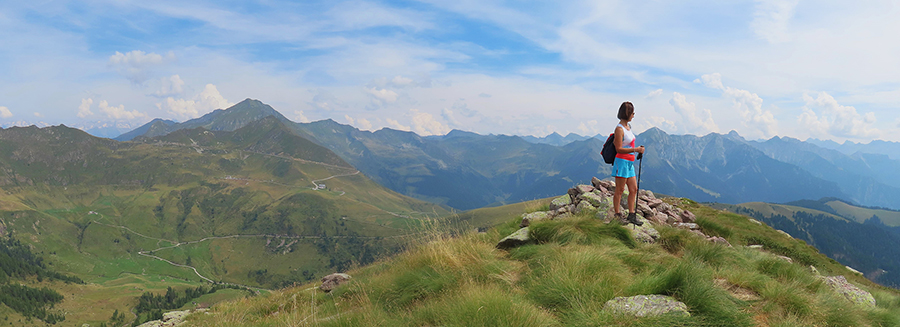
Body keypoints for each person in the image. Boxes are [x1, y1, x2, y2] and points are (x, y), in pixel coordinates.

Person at [612, 101, 645, 226]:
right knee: (619, 190)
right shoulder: (619, 129)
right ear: (627, 113)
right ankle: (617, 215)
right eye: (632, 112)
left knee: (633, 189)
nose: (634, 115)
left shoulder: (628, 128)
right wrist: (635, 150)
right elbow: (618, 149)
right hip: (621, 162)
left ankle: (631, 215)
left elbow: (627, 144)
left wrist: (638, 149)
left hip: (629, 163)